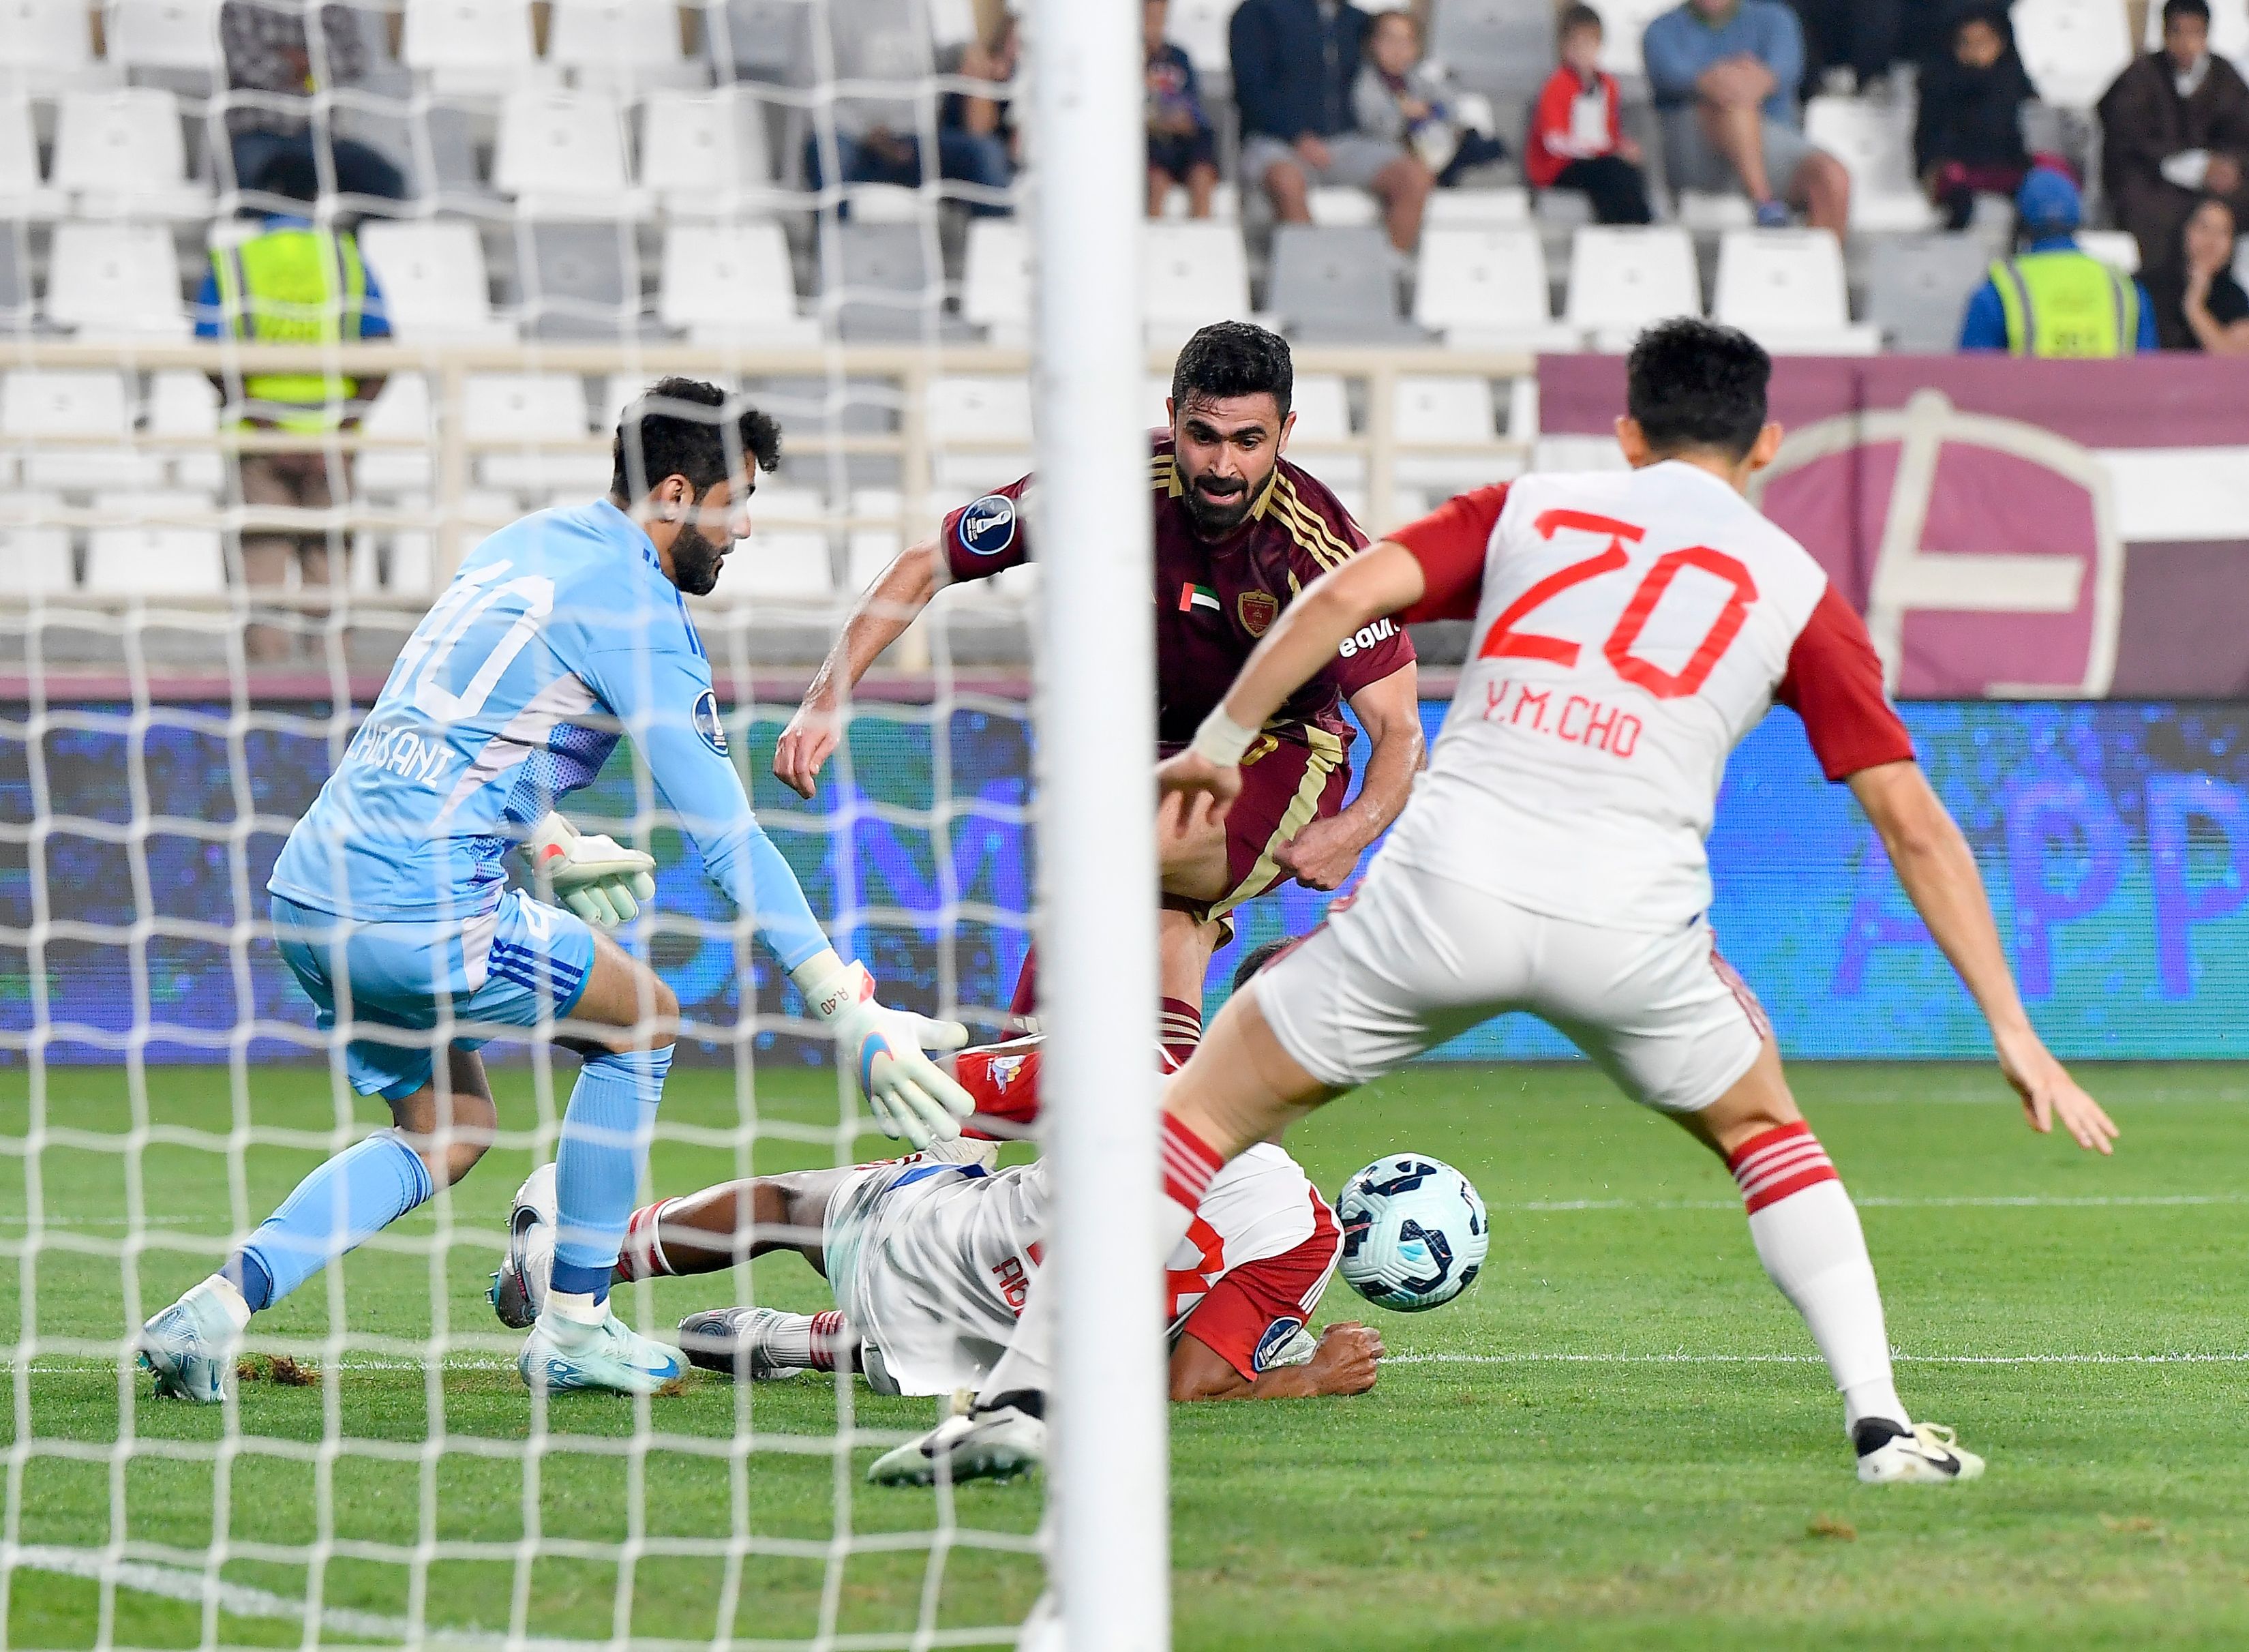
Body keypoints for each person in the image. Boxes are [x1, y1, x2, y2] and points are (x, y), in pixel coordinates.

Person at [907, 318, 2122, 1489]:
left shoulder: (1530, 507)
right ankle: (1880, 1423)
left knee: (1191, 1116)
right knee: (1766, 1134)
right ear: (1766, 446)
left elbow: (1335, 600)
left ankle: (1019, 1398)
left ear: (1627, 433)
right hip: (1629, 928)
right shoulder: (1799, 589)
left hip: (1442, 899)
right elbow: (1910, 820)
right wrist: (2012, 1028)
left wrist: (1223, 740)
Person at [134, 380, 976, 1405]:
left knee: (446, 1125)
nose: (745, 526)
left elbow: (445, 717)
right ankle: (574, 1323)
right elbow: (727, 836)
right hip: (420, 902)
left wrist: (543, 831)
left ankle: (211, 1311)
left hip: (312, 887)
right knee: (645, 1021)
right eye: (735, 501)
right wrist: (847, 1009)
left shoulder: (519, 545)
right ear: (675, 493)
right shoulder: (639, 611)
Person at [771, 322, 1423, 1070]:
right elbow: (925, 565)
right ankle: (1173, 1148)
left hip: (1281, 760)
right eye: (1202, 435)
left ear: (1286, 432)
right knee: (1164, 919)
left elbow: (1400, 731)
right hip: (1145, 750)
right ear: (1173, 414)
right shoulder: (1101, 484)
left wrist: (1354, 831)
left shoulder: (1321, 553)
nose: (1221, 464)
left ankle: (979, 1096)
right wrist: (826, 693)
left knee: (1111, 847)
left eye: (1248, 440)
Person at [490, 999, 1379, 1433]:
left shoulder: (1128, 1057)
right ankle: (792, 1340)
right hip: (984, 1366)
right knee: (1110, 1341)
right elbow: (1190, 1383)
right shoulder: (1306, 1232)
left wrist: (922, 1171)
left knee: (781, 1203)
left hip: (918, 1244)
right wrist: (1315, 1376)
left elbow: (945, 1102)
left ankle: (575, 1262)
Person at [194, 149, 389, 663]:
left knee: (263, 582)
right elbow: (382, 351)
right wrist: (344, 424)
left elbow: (210, 355)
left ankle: (269, 710)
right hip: (332, 441)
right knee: (330, 582)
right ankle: (335, 702)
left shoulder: (236, 261)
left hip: (259, 443)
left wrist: (264, 421)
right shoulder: (346, 258)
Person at [1230, 0, 1435, 253]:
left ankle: (1382, 276)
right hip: (1276, 141)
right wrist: (1296, 135)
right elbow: (1250, 90)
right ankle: (1311, 275)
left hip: (1345, 143)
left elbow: (1394, 67)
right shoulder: (1258, 12)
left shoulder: (1357, 21)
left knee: (1414, 176)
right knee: (1286, 180)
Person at [1643, 0, 1851, 231]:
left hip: (1774, 144)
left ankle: (1809, 265)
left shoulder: (1777, 19)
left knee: (1832, 179)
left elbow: (1784, 70)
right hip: (1699, 155)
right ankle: (1764, 202)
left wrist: (1737, 80)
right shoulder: (1661, 31)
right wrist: (1723, 82)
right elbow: (1674, 76)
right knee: (1732, 105)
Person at [803, 0, 1014, 215]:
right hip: (855, 142)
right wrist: (867, 133)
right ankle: (837, 241)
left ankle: (998, 244)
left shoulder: (930, 7)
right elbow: (811, 94)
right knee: (826, 152)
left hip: (917, 143)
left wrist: (971, 57)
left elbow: (945, 60)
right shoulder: (825, 9)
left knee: (986, 154)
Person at [2099, 0, 2249, 286]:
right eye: (2178, 33)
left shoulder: (2224, 77)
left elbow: (2241, 133)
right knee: (2153, 212)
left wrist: (2227, 165)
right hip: (2153, 181)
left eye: (2195, 33)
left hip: (2213, 188)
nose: (2186, 43)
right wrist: (2183, 164)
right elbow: (2125, 133)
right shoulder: (2141, 75)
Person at [220, 1, 406, 203]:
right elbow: (245, 65)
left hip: (321, 136)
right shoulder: (240, 6)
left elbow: (355, 62)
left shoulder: (331, 7)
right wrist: (313, 63)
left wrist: (291, 61)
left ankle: (343, 232)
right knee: (256, 190)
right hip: (256, 136)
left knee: (388, 184)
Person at [1959, 168, 2159, 355]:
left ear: (2020, 222)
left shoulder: (1997, 292)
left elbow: (1973, 380)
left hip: (2030, 394)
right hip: (2110, 394)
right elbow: (2149, 379)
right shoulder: (2125, 290)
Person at [1352, 10, 1509, 190]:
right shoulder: (1366, 82)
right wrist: (1403, 114)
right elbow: (1373, 126)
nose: (1398, 49)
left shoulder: (1417, 78)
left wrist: (1432, 110)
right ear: (1373, 43)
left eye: (1406, 42)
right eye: (1390, 40)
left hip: (1433, 150)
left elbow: (1454, 105)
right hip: (1393, 157)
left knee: (1485, 147)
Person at [1914, 3, 2036, 232]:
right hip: (1959, 169)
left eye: (1983, 42)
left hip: (2005, 166)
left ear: (2000, 44)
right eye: (1965, 43)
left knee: (2048, 173)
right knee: (1953, 180)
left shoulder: (2011, 81)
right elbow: (1929, 144)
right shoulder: (1938, 86)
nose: (1975, 51)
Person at [1527, 5, 1655, 224]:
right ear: (1564, 47)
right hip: (1559, 168)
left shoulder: (1608, 85)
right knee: (1609, 174)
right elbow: (1554, 141)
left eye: (1588, 44)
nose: (1582, 52)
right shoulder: (1557, 86)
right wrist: (1601, 149)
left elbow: (1608, 132)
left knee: (1628, 172)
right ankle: (1615, 229)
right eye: (1576, 45)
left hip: (1596, 160)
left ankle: (1640, 230)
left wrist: (1621, 147)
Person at [1145, 0, 1221, 219]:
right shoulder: (1125, 58)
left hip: (1183, 139)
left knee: (1202, 176)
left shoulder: (1179, 57)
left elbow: (1192, 106)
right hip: (1151, 145)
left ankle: (1200, 237)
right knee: (1157, 183)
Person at [2152, 194, 2249, 351]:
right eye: (2204, 228)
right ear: (2184, 230)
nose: (2212, 241)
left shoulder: (2235, 297)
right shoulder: (2148, 286)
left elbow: (2233, 361)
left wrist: (2194, 307)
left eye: (2223, 232)